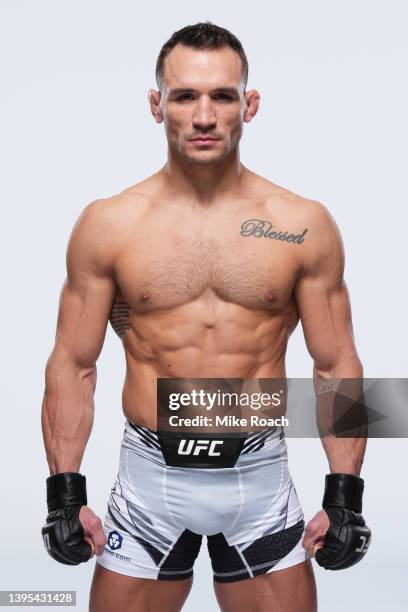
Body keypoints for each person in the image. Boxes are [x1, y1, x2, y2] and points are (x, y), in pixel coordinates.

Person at [41, 21, 371, 612]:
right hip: (148, 484)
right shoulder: (109, 224)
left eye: (221, 95)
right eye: (184, 95)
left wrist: (345, 493)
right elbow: (73, 363)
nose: (203, 115)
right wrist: (64, 493)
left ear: (250, 104)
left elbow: (336, 362)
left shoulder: (303, 223)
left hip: (260, 482)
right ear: (156, 104)